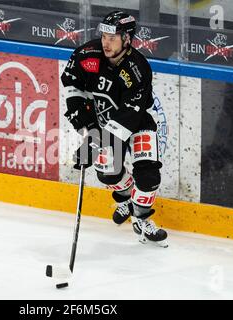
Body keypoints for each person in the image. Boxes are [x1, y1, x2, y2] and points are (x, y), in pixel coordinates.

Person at [61, 11, 168, 247]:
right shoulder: (87, 55)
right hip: (102, 125)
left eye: (112, 37)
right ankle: (127, 198)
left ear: (127, 39)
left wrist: (95, 141)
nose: (106, 43)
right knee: (108, 173)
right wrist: (88, 130)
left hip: (136, 124)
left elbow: (129, 115)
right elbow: (71, 84)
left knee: (149, 176)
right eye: (104, 36)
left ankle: (141, 219)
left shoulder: (138, 69)